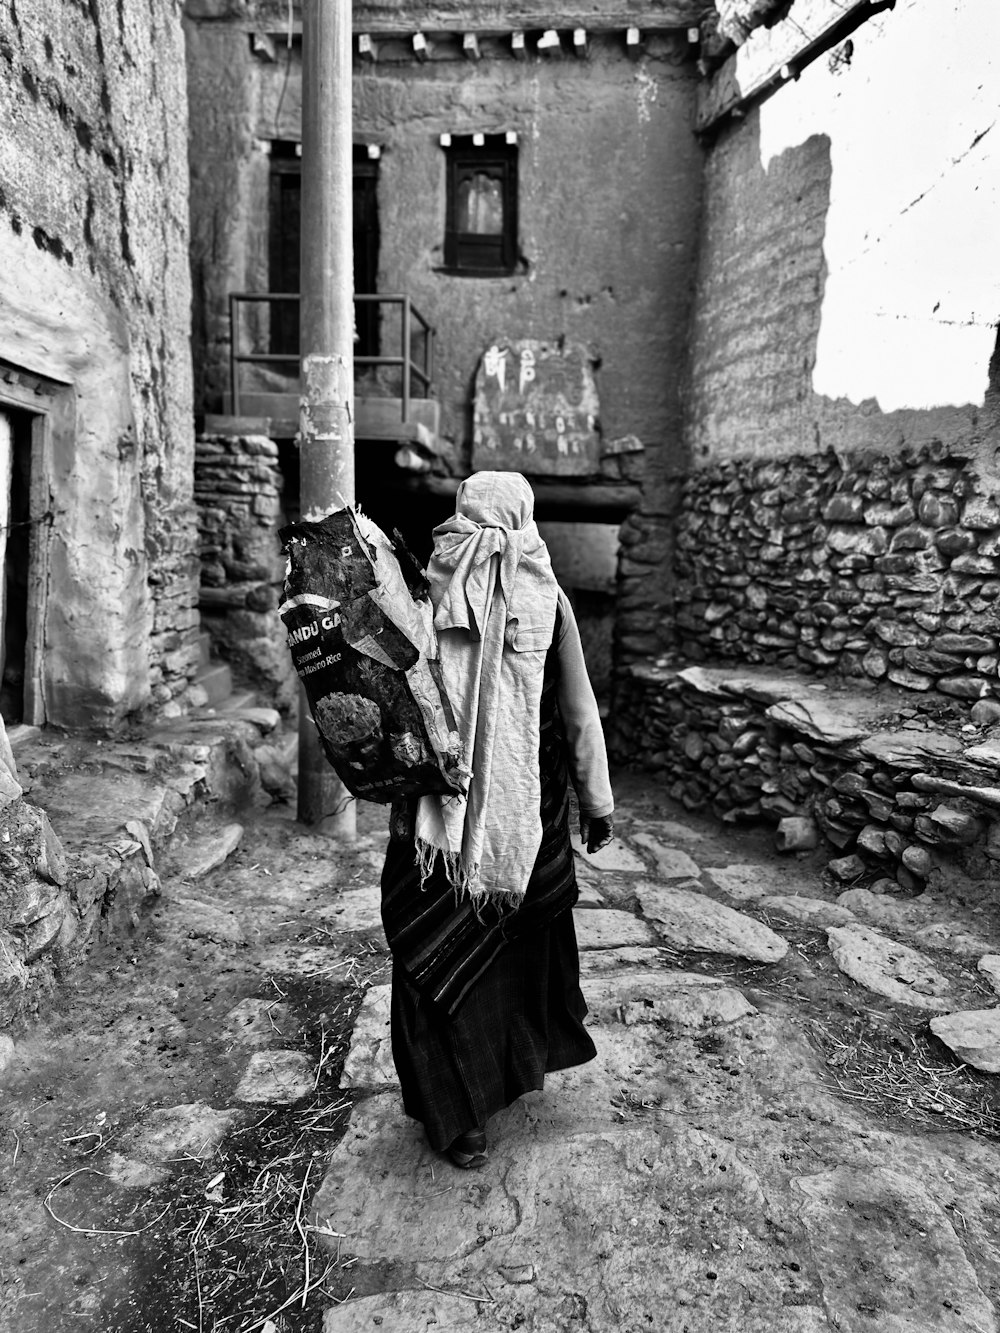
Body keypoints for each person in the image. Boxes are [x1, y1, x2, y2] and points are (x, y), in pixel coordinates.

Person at [380, 471, 614, 1169]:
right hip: (525, 816)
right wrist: (596, 802)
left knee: (437, 954)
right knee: (508, 951)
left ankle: (460, 1121)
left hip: (434, 822)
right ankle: (499, 1081)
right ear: (527, 518)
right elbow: (578, 711)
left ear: (461, 514)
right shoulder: (551, 598)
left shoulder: (423, 587)